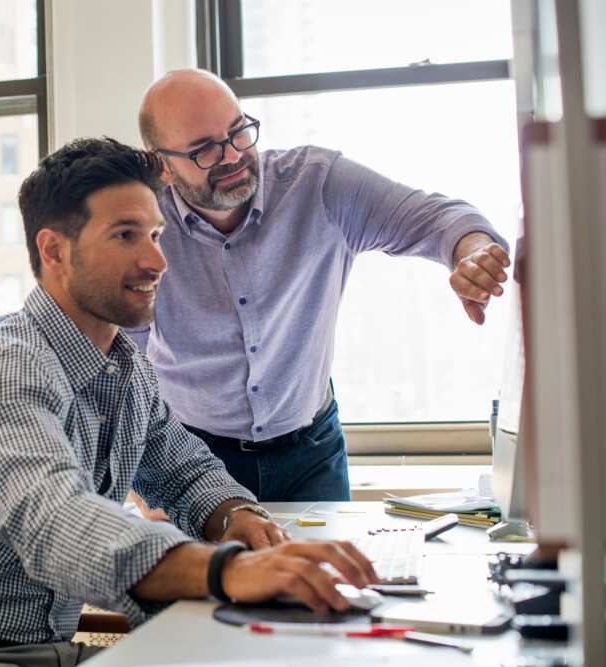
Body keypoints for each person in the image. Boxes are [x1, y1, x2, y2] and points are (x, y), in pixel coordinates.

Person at [0, 137, 377, 667]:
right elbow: (56, 523)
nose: (157, 261)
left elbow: (185, 472)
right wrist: (228, 570)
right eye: (126, 235)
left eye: (155, 234)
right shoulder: (2, 367)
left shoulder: (127, 370)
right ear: (54, 250)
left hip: (57, 645)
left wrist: (240, 519)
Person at [133, 69, 512, 502]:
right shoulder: (142, 228)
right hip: (192, 459)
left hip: (311, 455)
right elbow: (124, 358)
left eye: (239, 132)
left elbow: (438, 218)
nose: (234, 155)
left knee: (328, 571)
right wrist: (151, 474)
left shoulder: (317, 185)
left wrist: (473, 253)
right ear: (162, 165)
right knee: (205, 574)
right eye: (204, 150)